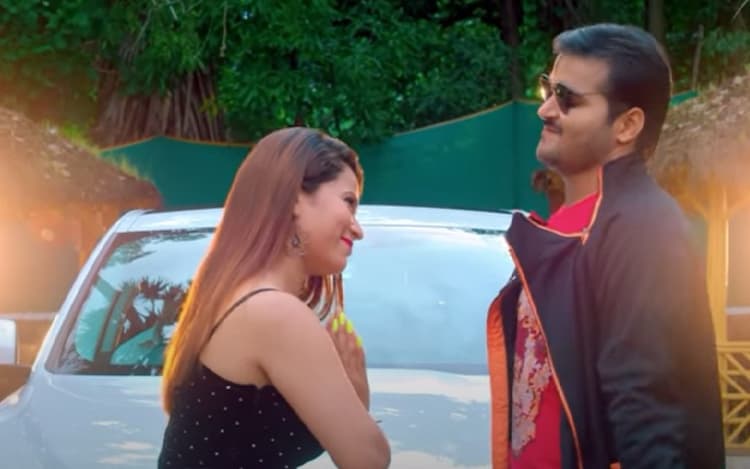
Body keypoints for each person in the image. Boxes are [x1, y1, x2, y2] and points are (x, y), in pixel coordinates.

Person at [486, 24, 724, 469]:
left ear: (627, 125)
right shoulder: (571, 226)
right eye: (549, 89)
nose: (546, 109)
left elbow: (647, 415)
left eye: (568, 98)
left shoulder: (642, 227)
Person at [159, 127, 391, 468]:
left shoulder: (234, 298)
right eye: (348, 202)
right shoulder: (274, 312)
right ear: (295, 197)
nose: (358, 229)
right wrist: (357, 390)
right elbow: (368, 460)